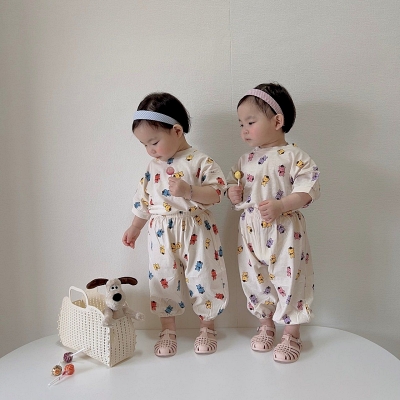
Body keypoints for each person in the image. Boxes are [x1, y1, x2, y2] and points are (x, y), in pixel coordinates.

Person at [123, 92, 229, 357]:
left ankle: (207, 328)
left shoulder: (200, 161)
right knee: (163, 279)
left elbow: (217, 192)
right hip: (161, 232)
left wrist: (189, 191)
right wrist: (135, 227)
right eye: (144, 145)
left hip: (196, 229)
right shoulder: (152, 168)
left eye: (154, 142)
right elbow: (143, 201)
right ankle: (168, 331)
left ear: (177, 131)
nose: (150, 150)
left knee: (204, 277)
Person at [226, 83, 320, 363]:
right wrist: (232, 191)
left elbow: (308, 190)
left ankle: (291, 332)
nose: (244, 130)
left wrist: (281, 205)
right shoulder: (245, 159)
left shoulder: (294, 156)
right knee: (254, 276)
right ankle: (265, 324)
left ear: (277, 121)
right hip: (250, 229)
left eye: (250, 122)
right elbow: (232, 185)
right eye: (241, 124)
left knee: (290, 278)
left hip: (285, 229)